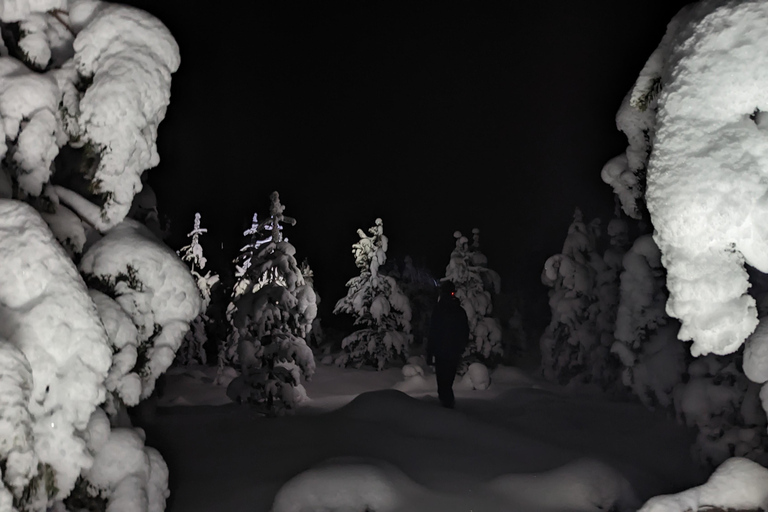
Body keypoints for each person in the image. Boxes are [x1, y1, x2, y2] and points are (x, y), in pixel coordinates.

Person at [426, 280, 469, 408]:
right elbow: (464, 331)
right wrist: (461, 346)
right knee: (447, 380)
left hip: (443, 351)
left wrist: (430, 352)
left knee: (443, 381)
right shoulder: (457, 310)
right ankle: (447, 404)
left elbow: (433, 331)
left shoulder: (440, 310)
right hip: (451, 351)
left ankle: (446, 404)